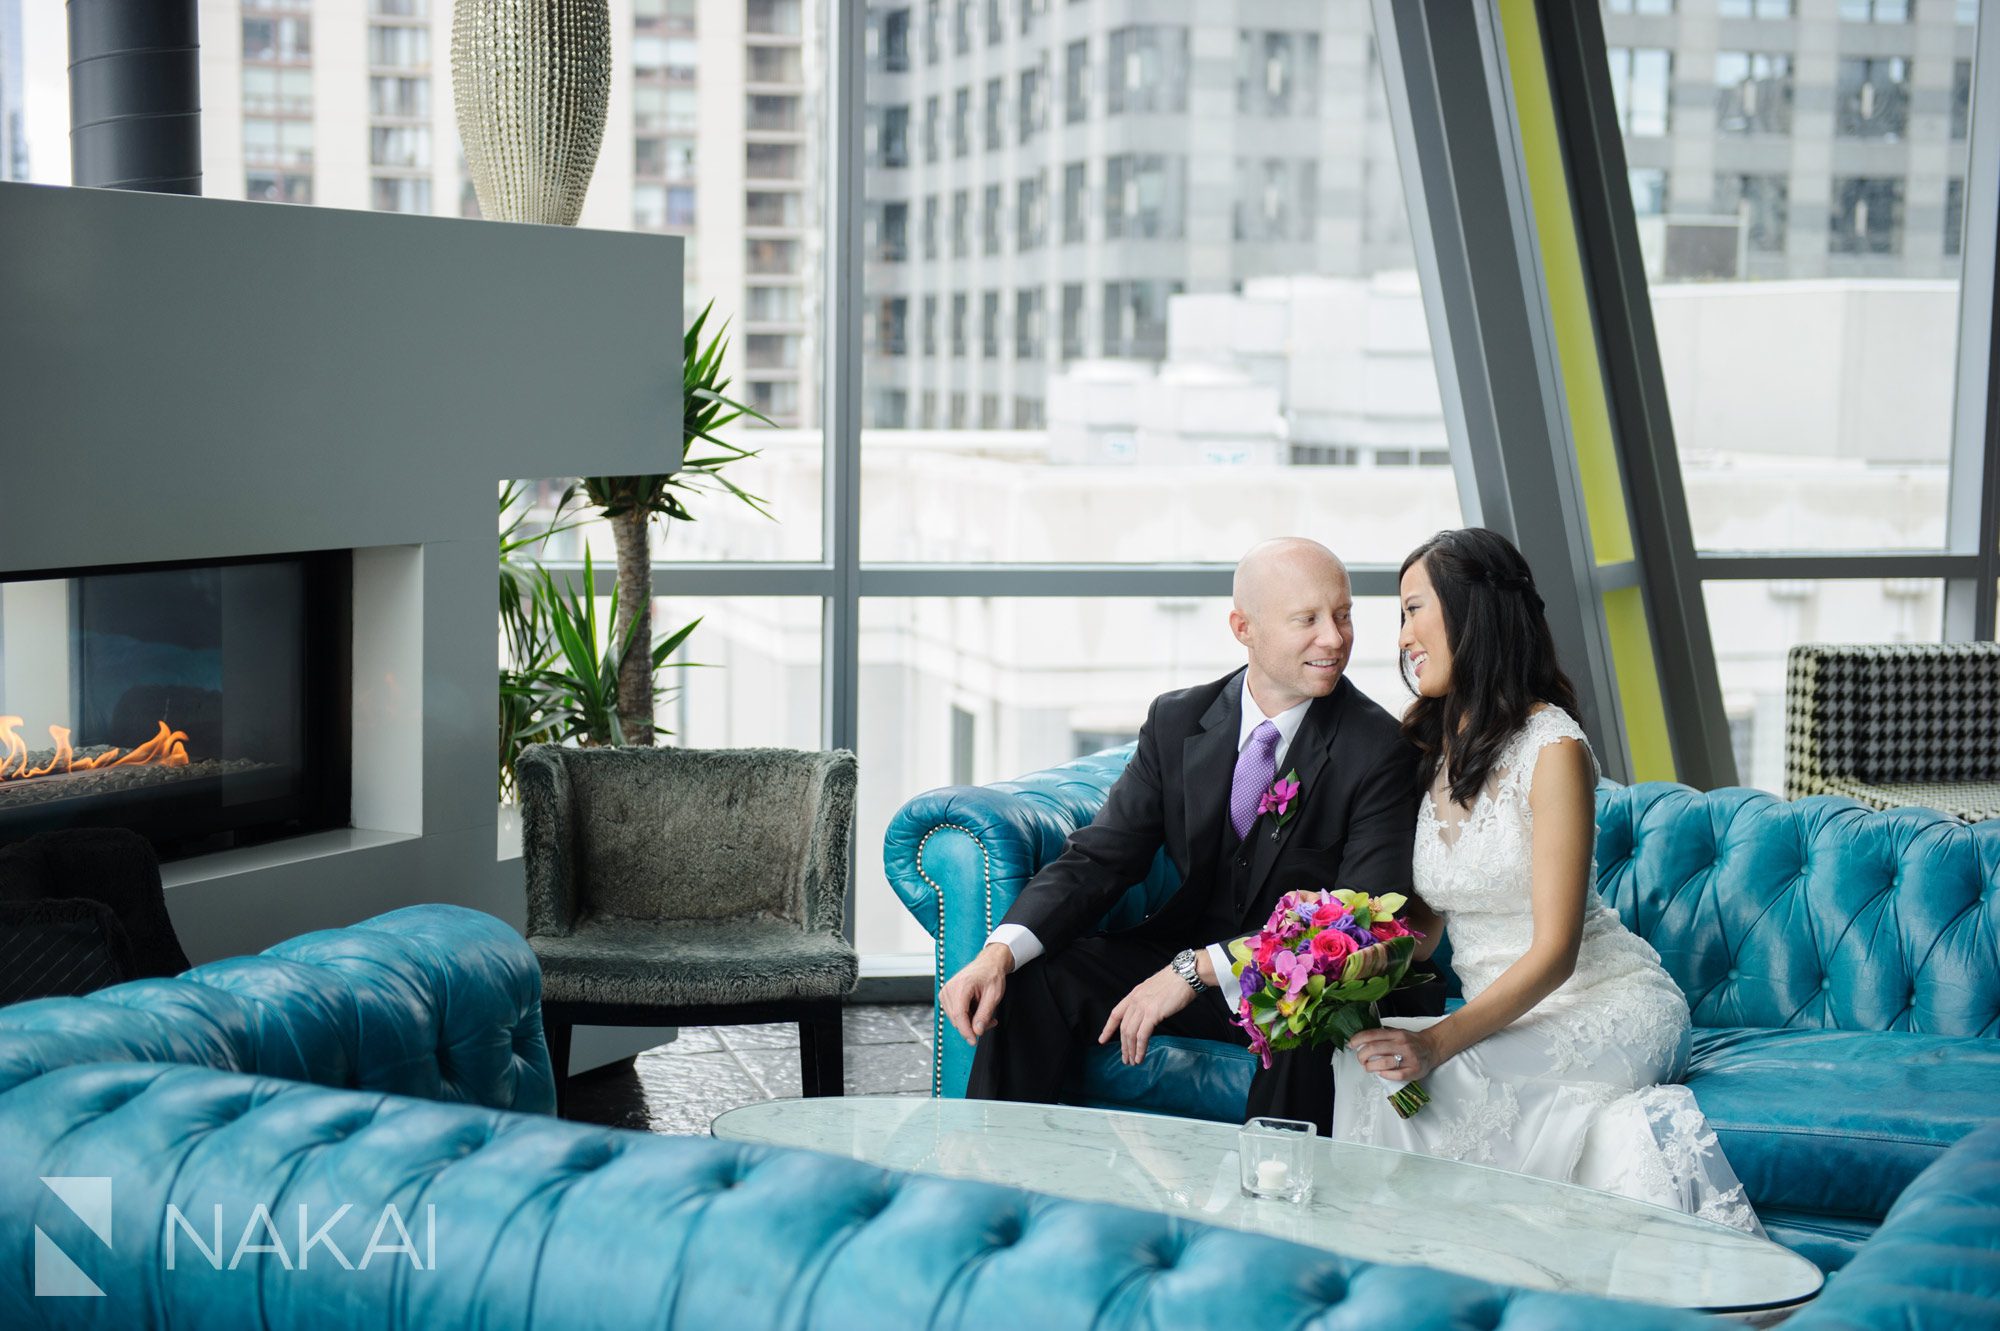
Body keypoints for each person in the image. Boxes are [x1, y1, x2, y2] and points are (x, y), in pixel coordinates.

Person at [939, 537, 1443, 1133]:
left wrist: (1195, 970)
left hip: (1298, 980)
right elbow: (1102, 859)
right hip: (1182, 952)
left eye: (1344, 615)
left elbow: (1359, 921)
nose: (1334, 639)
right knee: (1033, 982)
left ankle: (1272, 1209)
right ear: (1243, 627)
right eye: (1307, 620)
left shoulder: (1379, 749)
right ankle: (993, 1175)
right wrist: (997, 954)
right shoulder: (1177, 720)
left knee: (1304, 1026)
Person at [1337, 527, 1760, 1232]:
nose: (1403, 634)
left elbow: (1556, 950)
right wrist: (1343, 964)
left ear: (1471, 612)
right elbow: (1430, 924)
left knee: (1427, 1078)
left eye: (1414, 608)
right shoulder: (1430, 749)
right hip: (1501, 1016)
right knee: (1358, 1067)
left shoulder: (1553, 746)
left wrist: (1437, 1040)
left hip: (1604, 1003)